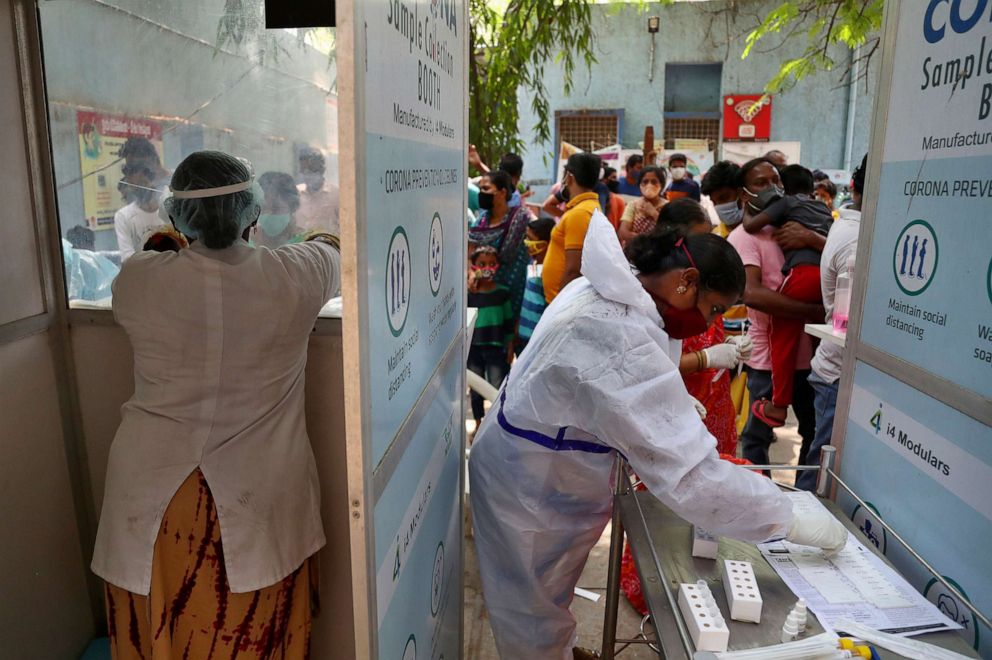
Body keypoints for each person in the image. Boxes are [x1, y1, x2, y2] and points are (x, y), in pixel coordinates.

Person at [469, 213, 848, 660]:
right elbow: (693, 479)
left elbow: (591, 381)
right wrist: (790, 517)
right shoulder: (618, 330)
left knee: (547, 593)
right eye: (713, 310)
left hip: (542, 467)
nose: (709, 322)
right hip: (532, 487)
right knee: (530, 608)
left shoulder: (610, 288)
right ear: (686, 281)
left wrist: (660, 399)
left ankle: (560, 650)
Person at [92, 150, 341, 659]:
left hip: (154, 503)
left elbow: (155, 253)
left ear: (177, 215)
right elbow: (333, 248)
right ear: (252, 212)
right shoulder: (295, 275)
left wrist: (173, 242)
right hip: (258, 502)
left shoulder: (139, 281)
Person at [728, 158, 823, 467]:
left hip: (808, 355)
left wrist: (811, 239)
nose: (772, 188)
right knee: (756, 437)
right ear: (744, 195)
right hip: (766, 358)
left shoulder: (796, 224)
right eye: (761, 183)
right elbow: (752, 294)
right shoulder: (744, 237)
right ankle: (761, 502)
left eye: (776, 181)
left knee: (814, 433)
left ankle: (807, 497)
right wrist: (814, 311)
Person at [743, 165, 832, 428]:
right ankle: (819, 393)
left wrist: (749, 206)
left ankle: (778, 405)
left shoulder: (785, 202)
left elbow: (751, 226)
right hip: (827, 280)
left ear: (783, 186)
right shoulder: (824, 209)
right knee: (820, 341)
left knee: (781, 338)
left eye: (775, 182)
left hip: (802, 275)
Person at [797, 155, 866, 491]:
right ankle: (798, 537)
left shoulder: (849, 227)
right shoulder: (857, 240)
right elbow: (849, 316)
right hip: (838, 372)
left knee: (821, 461)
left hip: (834, 369)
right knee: (821, 471)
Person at [470, 169, 533, 322]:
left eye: (486, 188)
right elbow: (471, 254)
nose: (481, 193)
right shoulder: (481, 221)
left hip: (515, 291)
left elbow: (531, 249)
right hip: (487, 296)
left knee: (512, 338)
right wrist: (473, 275)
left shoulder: (521, 218)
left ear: (502, 192)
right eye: (480, 189)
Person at [541, 152, 603, 303]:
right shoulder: (583, 208)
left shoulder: (579, 213)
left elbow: (573, 269)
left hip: (562, 302)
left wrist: (559, 306)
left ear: (569, 177)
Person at [467, 246, 515, 427]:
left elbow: (509, 321)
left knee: (497, 386)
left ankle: (495, 425)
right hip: (474, 347)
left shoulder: (503, 292)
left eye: (492, 264)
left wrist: (510, 345)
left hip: (496, 347)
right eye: (482, 264)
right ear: (473, 266)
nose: (487, 268)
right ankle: (479, 423)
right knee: (476, 388)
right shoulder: (469, 295)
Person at [114, 138, 169, 261]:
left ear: (154, 163)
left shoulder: (173, 203)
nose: (137, 177)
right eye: (131, 170)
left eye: (143, 169)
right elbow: (128, 259)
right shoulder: (125, 216)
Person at [517, 217, 554, 353]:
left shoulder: (550, 270)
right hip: (523, 333)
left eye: (530, 239)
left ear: (543, 244)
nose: (526, 243)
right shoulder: (530, 262)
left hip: (539, 338)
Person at [254, 170, 306, 249]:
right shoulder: (248, 241)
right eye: (263, 208)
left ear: (292, 207)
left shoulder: (305, 242)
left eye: (276, 208)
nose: (269, 214)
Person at [295, 146, 340, 235]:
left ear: (322, 169)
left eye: (312, 170)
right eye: (304, 170)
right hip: (300, 246)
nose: (307, 174)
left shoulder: (337, 195)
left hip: (327, 246)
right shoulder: (295, 193)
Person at [617, 165, 667, 244]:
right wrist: (650, 240)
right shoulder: (633, 205)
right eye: (645, 181)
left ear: (661, 184)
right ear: (639, 184)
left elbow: (670, 232)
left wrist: (654, 213)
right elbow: (623, 233)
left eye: (654, 182)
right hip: (634, 253)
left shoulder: (667, 206)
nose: (649, 185)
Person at [701, 160, 743, 237]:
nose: (719, 207)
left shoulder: (765, 229)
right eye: (714, 202)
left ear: (742, 194)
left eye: (723, 198)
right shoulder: (716, 236)